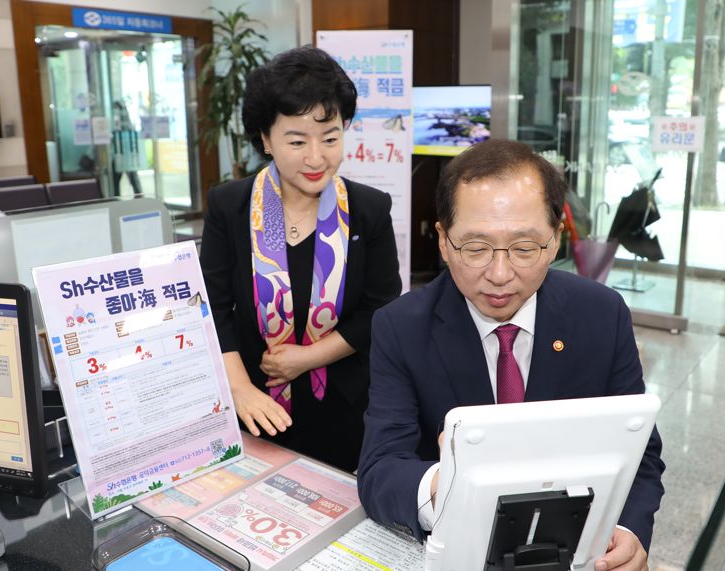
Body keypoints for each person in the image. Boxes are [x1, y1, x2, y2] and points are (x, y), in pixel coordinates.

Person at [357, 139, 664, 570]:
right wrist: (448, 482)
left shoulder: (601, 314)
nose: (500, 276)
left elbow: (642, 454)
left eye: (523, 248)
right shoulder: (401, 326)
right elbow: (379, 473)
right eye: (476, 248)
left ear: (555, 239)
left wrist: (629, 535)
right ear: (444, 242)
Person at [199, 47, 401, 473]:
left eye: (330, 138)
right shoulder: (230, 207)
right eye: (296, 141)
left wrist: (306, 358)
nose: (316, 157)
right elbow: (211, 309)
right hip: (254, 404)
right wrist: (239, 390)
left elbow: (380, 308)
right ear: (265, 140)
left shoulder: (368, 210)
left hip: (345, 406)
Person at [112, 101, 143, 196]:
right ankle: (140, 200)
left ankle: (140, 201)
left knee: (129, 181)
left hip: (121, 154)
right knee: (117, 183)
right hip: (121, 154)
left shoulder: (121, 120)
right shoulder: (122, 118)